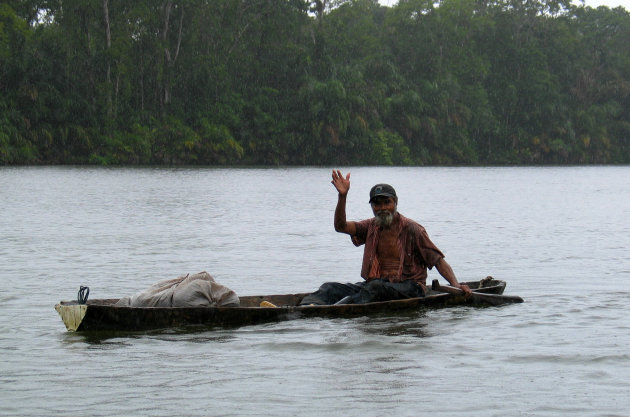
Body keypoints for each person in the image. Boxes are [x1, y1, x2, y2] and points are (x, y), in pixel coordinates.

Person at [299, 170, 472, 305]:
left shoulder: (413, 229)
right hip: (375, 285)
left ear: (395, 202)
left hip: (410, 287)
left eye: (386, 203)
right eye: (377, 204)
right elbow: (341, 227)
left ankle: (338, 310)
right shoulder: (371, 226)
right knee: (330, 288)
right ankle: (306, 308)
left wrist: (456, 286)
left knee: (375, 288)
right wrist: (342, 196)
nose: (382, 208)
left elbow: (438, 260)